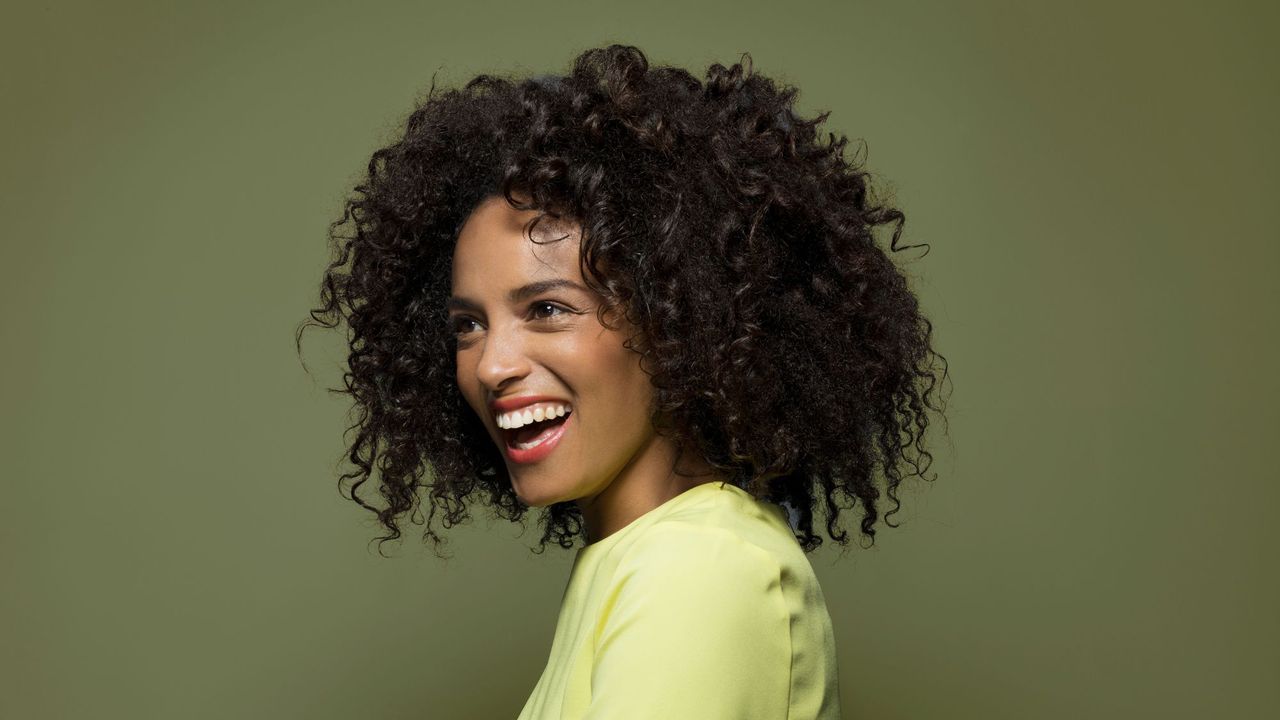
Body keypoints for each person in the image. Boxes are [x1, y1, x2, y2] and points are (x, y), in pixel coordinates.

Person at [297, 43, 950, 719]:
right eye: (468, 324)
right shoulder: (638, 563)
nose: (491, 365)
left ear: (677, 322)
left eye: (547, 309)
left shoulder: (697, 570)